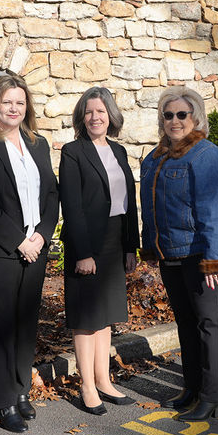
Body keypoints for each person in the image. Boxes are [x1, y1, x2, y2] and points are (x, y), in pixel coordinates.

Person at [0, 75, 59, 433]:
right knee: (1, 326)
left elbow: (51, 194)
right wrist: (19, 241)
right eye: (7, 102)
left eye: (20, 102)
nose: (14, 109)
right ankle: (3, 401)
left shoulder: (38, 143)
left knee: (25, 323)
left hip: (36, 247)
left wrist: (41, 237)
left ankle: (20, 391)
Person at [140, 86, 218, 422]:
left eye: (182, 114)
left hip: (202, 256)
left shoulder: (207, 156)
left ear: (195, 117)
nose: (175, 121)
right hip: (172, 254)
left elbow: (217, 213)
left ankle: (213, 398)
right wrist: (150, 245)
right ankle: (192, 388)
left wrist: (213, 259)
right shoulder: (154, 158)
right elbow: (149, 207)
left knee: (208, 324)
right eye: (169, 115)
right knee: (185, 323)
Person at [59, 87, 139, 415]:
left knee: (105, 317)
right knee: (86, 318)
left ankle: (104, 380)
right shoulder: (73, 152)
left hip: (115, 241)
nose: (95, 117)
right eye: (90, 112)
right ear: (82, 117)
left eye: (101, 112)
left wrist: (131, 246)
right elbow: (72, 206)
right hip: (87, 244)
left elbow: (128, 203)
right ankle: (87, 386)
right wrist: (82, 252)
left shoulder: (119, 151)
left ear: (111, 116)